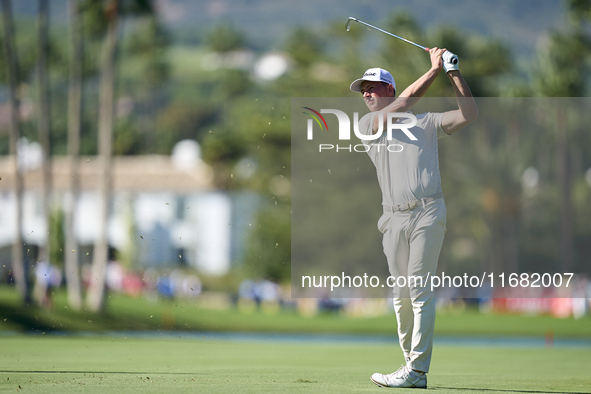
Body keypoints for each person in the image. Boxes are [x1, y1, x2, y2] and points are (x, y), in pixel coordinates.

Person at [349, 48, 478, 388]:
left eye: (373, 87)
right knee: (401, 294)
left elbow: (469, 113)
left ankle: (417, 370)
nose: (366, 93)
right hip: (391, 219)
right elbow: (404, 105)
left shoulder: (427, 122)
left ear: (389, 89)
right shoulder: (367, 125)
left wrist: (452, 73)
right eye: (364, 88)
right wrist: (434, 69)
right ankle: (410, 366)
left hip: (427, 211)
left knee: (419, 290)